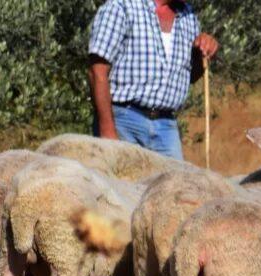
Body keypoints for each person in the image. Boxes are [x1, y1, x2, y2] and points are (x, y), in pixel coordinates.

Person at [88, 0, 219, 159]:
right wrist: (107, 131)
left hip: (166, 127)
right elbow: (97, 72)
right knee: (122, 183)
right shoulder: (121, 6)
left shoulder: (189, 18)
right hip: (123, 120)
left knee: (177, 183)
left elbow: (188, 77)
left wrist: (204, 53)